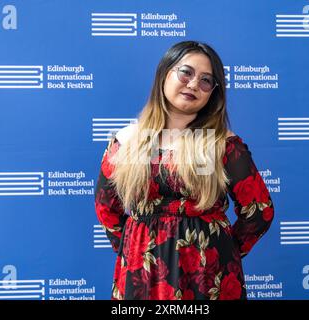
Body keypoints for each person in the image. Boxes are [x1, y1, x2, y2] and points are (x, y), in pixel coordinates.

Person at [94, 41, 274, 300]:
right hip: (142, 274)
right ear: (165, 73)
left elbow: (260, 211)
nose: (193, 85)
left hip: (208, 275)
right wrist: (135, 247)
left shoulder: (222, 144)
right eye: (186, 73)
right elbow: (106, 208)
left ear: (213, 92)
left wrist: (224, 248)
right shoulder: (126, 140)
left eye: (206, 80)